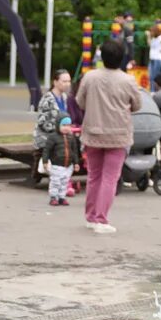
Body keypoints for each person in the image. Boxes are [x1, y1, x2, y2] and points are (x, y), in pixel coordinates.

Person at [74, 39, 138, 235]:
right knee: (110, 178)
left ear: (102, 56)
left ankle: (91, 216)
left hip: (93, 132)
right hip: (118, 135)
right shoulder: (128, 80)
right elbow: (137, 105)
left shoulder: (90, 77)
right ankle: (102, 218)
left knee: (94, 175)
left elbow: (80, 101)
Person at [35, 69, 75, 207]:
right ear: (55, 82)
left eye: (69, 81)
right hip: (47, 136)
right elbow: (42, 122)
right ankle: (60, 185)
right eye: (64, 81)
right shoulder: (48, 99)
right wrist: (58, 130)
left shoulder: (64, 98)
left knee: (74, 142)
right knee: (62, 145)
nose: (67, 84)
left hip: (60, 134)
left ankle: (66, 179)